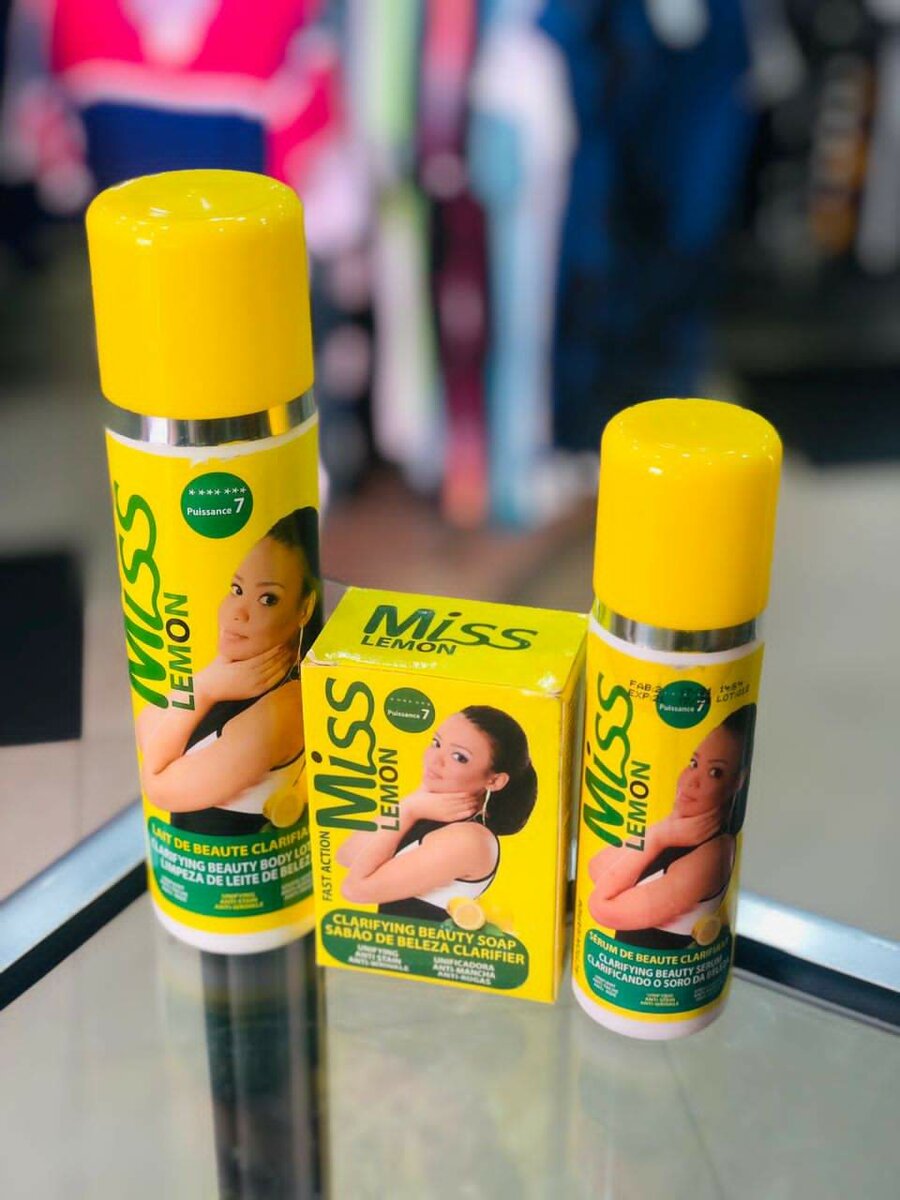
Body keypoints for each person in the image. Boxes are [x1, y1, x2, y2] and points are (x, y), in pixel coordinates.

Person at [137, 508, 320, 836]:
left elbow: (158, 787)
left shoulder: (283, 708)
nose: (238, 612)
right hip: (192, 859)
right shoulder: (236, 676)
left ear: (304, 608)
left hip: (236, 864)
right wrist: (212, 678)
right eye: (237, 589)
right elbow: (146, 723)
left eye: (267, 599)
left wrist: (206, 688)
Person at [337, 706, 537, 920]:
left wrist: (408, 809)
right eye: (436, 743)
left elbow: (355, 890)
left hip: (417, 942)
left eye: (459, 757)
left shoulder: (469, 839)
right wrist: (415, 800)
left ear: (494, 780)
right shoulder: (430, 809)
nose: (434, 760)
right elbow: (347, 855)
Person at [587, 705, 755, 948]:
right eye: (693, 763)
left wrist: (658, 837)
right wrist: (664, 831)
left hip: (647, 970)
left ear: (737, 782)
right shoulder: (681, 831)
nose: (691, 780)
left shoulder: (709, 856)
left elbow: (602, 907)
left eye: (715, 772)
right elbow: (597, 866)